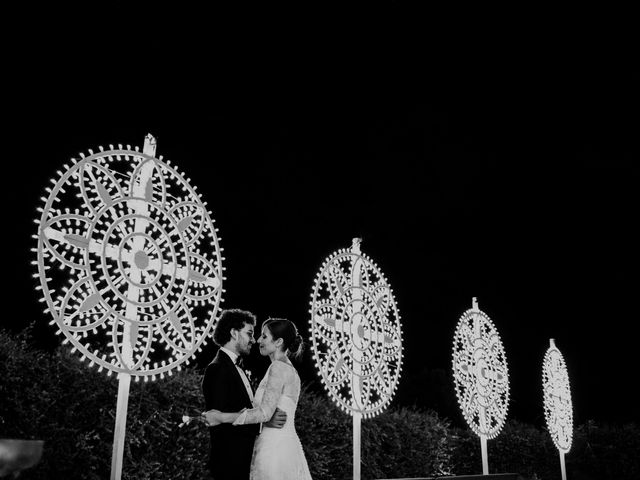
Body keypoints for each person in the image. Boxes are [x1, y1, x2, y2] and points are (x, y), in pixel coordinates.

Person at [203, 318, 313, 480]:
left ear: (279, 342)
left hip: (274, 449)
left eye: (264, 336)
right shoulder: (287, 368)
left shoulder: (278, 367)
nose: (258, 340)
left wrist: (219, 417)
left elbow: (264, 413)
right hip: (284, 446)